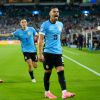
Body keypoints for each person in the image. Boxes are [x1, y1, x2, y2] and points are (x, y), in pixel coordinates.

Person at [38, 7, 75, 99]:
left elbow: (58, 37)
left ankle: (64, 92)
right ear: (50, 14)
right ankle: (47, 92)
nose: (56, 13)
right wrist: (39, 54)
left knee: (61, 71)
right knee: (48, 72)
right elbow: (40, 40)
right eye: (54, 11)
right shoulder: (45, 25)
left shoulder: (60, 24)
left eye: (58, 11)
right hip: (48, 53)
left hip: (58, 52)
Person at [0, 19, 38, 83]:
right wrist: (1, 35)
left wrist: (39, 39)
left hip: (33, 50)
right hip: (25, 50)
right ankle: (32, 78)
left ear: (27, 23)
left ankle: (32, 71)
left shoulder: (32, 29)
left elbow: (37, 35)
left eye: (25, 22)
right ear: (20, 24)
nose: (23, 23)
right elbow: (9, 35)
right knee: (30, 65)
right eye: (22, 22)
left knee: (35, 66)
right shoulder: (18, 32)